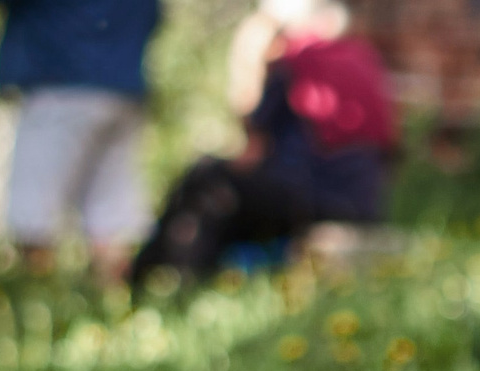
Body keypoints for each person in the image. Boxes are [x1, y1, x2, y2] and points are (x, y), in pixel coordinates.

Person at [132, 0, 393, 284]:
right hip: (362, 200)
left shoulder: (297, 63)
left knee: (207, 179)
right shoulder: (364, 58)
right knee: (222, 189)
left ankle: (155, 277)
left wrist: (249, 57)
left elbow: (252, 146)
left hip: (311, 195)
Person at [0, 0, 160, 280]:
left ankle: (36, 305)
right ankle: (114, 303)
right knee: (110, 218)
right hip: (122, 86)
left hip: (59, 88)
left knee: (34, 220)